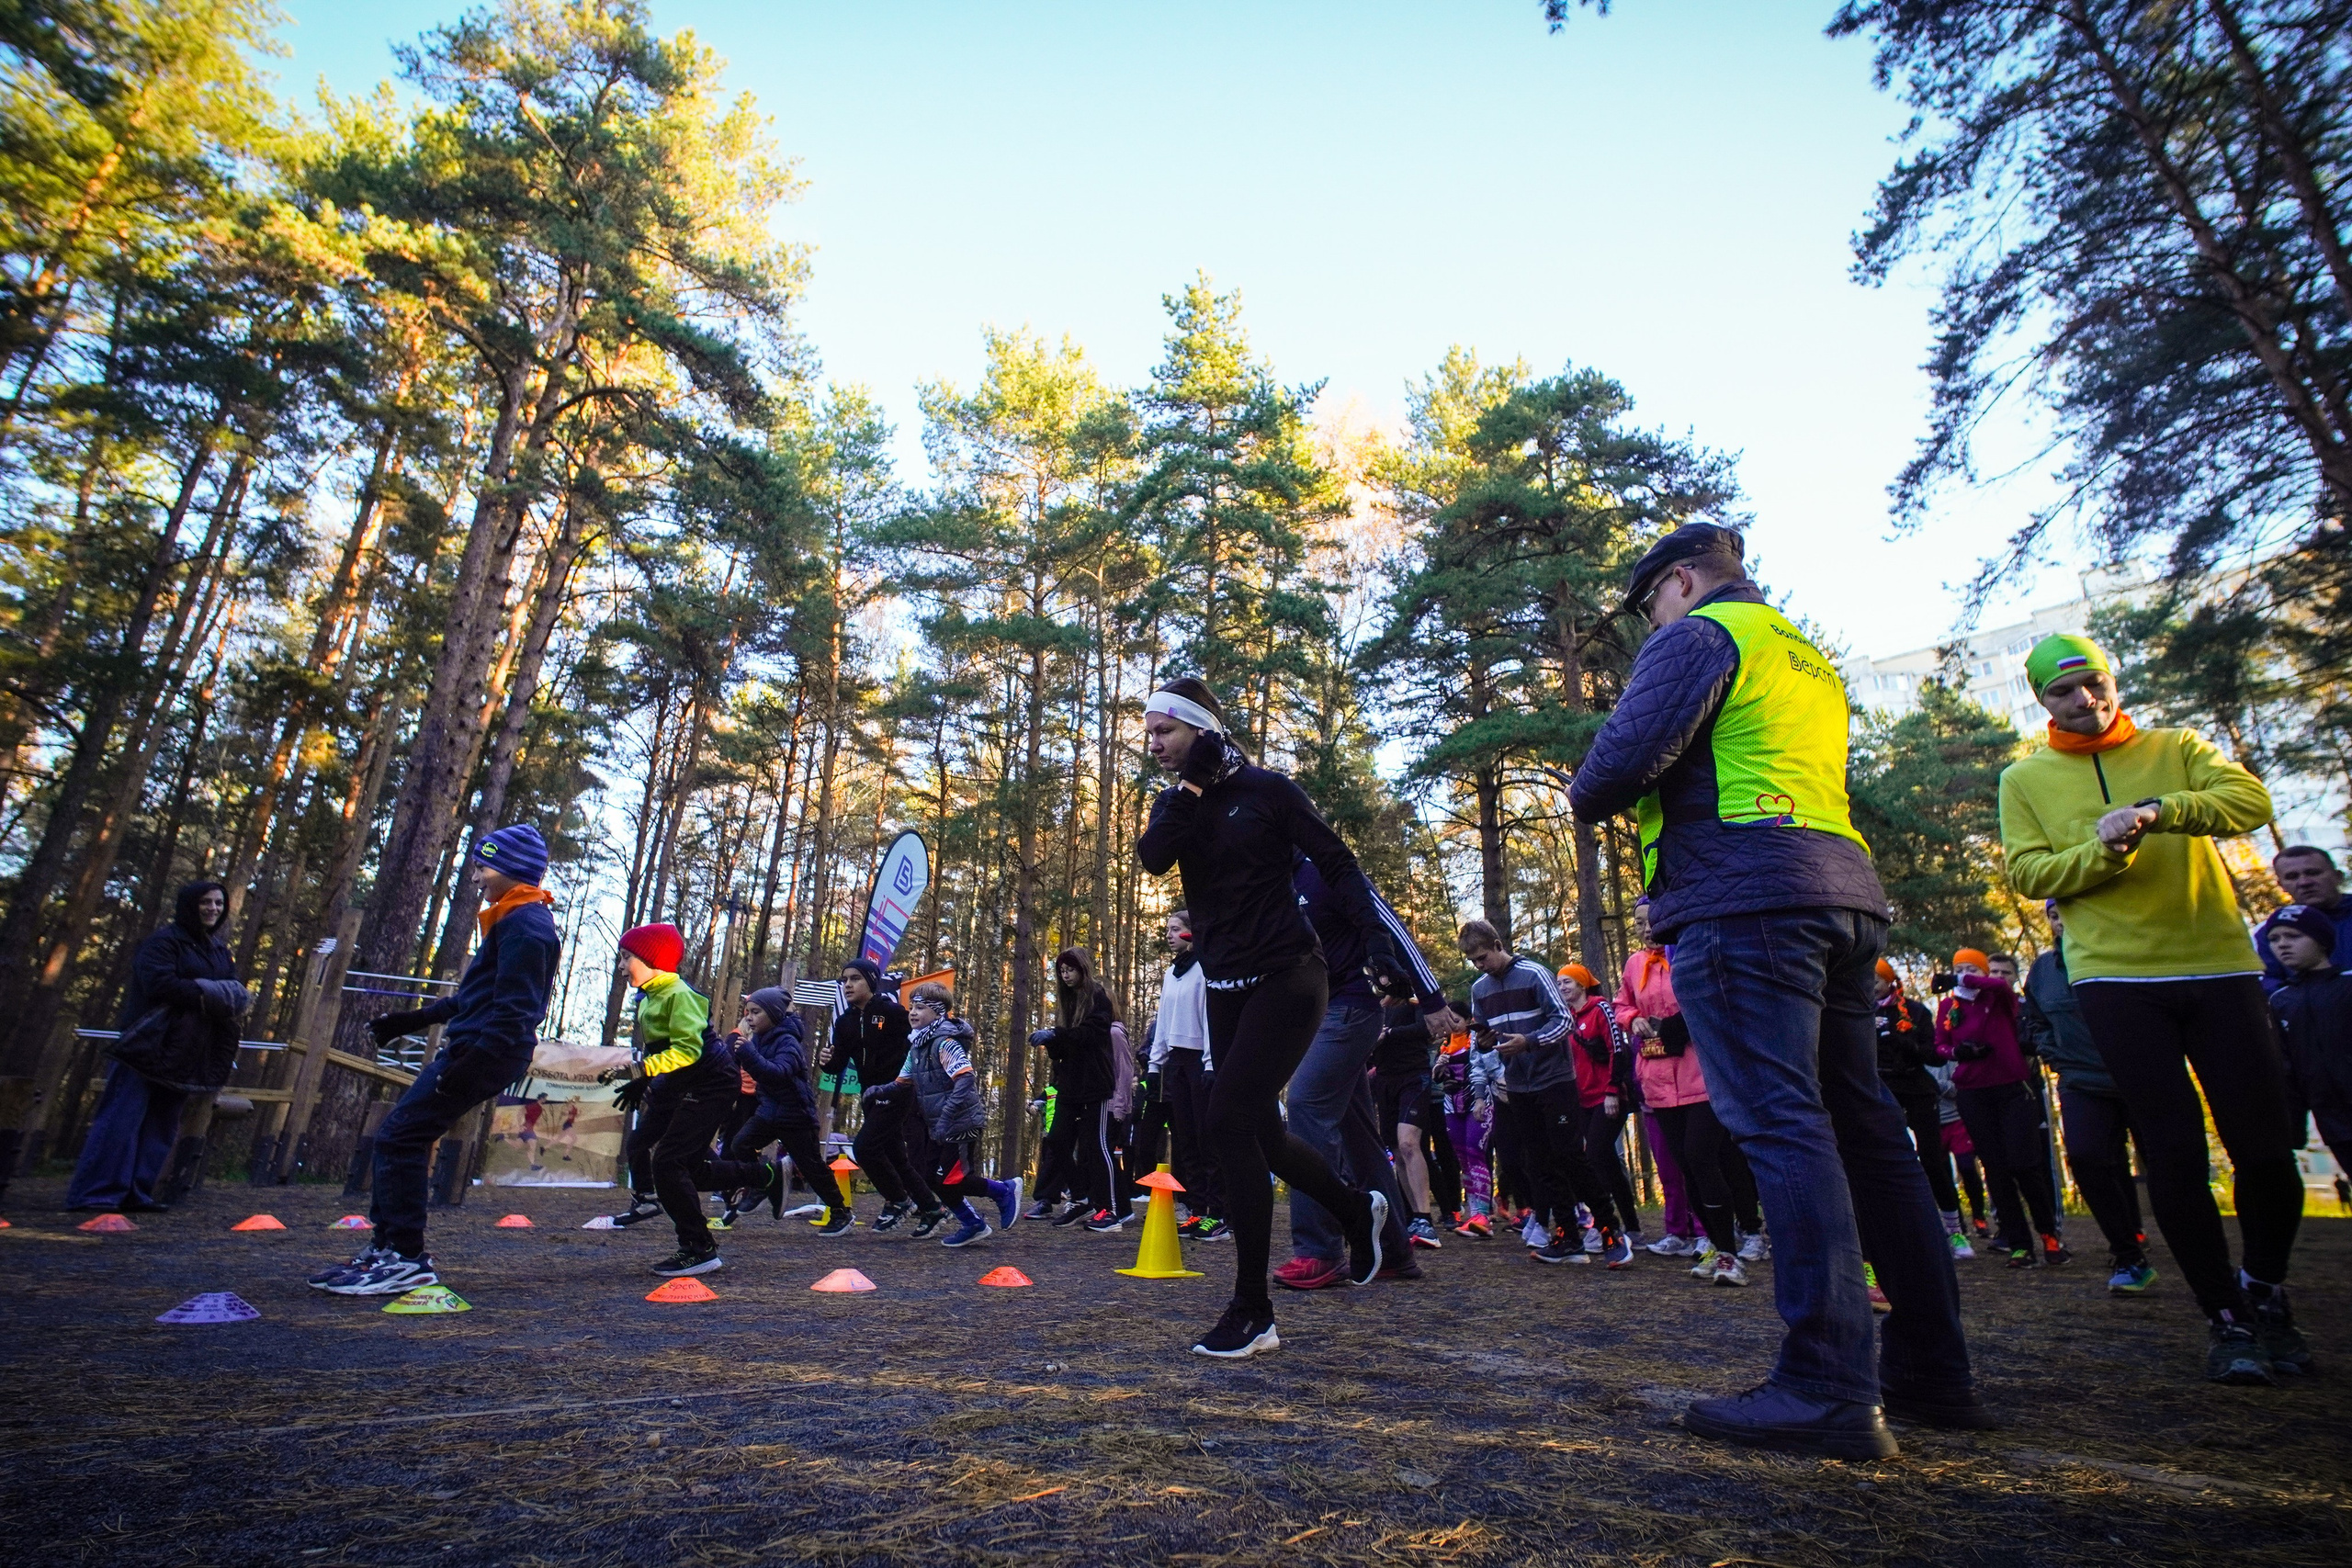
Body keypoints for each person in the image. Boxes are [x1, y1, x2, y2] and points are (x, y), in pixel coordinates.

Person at [1570, 522, 1977, 1458]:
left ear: (1678, 581)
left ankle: (1827, 1383)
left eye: (1646, 608)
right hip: (1840, 900)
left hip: (1744, 903)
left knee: (1784, 1125)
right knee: (1866, 1130)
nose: (1647, 629)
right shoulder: (1802, 654)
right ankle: (1930, 1370)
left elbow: (1604, 779)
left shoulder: (1703, 635)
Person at [1999, 631, 2302, 1384]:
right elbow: (2031, 871)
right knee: (2172, 1151)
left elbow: (2248, 801)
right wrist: (2106, 850)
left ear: (2112, 680)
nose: (2084, 701)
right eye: (2063, 692)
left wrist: (2158, 810)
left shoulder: (2178, 747)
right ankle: (2224, 1315)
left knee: (2263, 1145)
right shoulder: (2025, 778)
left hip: (2218, 963)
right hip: (2115, 979)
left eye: (2093, 683)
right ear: (2043, 702)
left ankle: (2264, 1287)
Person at [1136, 676, 1394, 1359]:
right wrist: (1191, 787)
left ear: (1201, 729)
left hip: (1292, 976)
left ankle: (1253, 1309)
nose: (1153, 743)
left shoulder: (1269, 791)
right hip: (1227, 985)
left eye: (1165, 731)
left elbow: (1338, 861)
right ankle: (1352, 1206)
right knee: (1264, 1135)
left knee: (1226, 1120)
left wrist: (1374, 942)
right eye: (1149, 733)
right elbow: (1154, 857)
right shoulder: (1178, 803)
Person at [313, 826, 560, 1296]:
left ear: (512, 870)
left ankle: (405, 1257)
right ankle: (388, 1249)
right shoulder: (510, 919)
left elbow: (514, 1012)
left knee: (401, 1135)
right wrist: (411, 1020)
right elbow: (475, 997)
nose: (477, 877)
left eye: (484, 867)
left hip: (487, 1053)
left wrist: (468, 1065)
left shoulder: (527, 926)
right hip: (476, 1048)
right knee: (399, 1136)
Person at [1273, 853, 1452, 1288]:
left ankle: (1320, 1250)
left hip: (1352, 1005)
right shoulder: (1271, 881)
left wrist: (1430, 999)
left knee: (1305, 1103)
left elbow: (1390, 925)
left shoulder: (1323, 871)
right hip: (1315, 1010)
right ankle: (1393, 1250)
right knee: (1358, 1133)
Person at [605, 923, 782, 1277]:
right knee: (681, 1165)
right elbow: (665, 1050)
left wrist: (642, 1071)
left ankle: (698, 1248)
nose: (622, 967)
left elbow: (687, 1050)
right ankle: (763, 1174)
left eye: (627, 958)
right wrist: (648, 1080)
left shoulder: (677, 995)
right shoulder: (651, 996)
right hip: (684, 1084)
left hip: (713, 1084)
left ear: (652, 959)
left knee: (669, 1165)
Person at [1458, 922, 1634, 1268]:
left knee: (1570, 1155)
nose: (1479, 966)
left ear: (1497, 944)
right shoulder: (1480, 989)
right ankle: (1567, 1237)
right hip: (1517, 1085)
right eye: (1473, 961)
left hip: (1554, 1080)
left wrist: (1530, 1041)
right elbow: (1483, 1034)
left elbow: (1563, 1021)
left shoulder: (1534, 974)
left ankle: (1612, 1230)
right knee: (1538, 1161)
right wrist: (1485, 1040)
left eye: (1482, 958)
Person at [69, 881, 247, 1213]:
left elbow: (235, 992)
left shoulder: (218, 950)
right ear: (189, 904)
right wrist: (211, 992)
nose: (212, 909)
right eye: (206, 903)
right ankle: (97, 1193)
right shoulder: (163, 943)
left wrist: (216, 993)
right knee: (122, 1119)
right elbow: (159, 984)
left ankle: (138, 1192)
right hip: (147, 1042)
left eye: (219, 904)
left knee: (162, 1123)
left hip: (187, 1049)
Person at [2020, 904, 2154, 1293]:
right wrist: (2056, 1055)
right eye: (2054, 915)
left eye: (2070, 912)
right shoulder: (2044, 971)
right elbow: (2037, 1021)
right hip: (2080, 1080)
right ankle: (2128, 1255)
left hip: (2144, 1077)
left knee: (2169, 1164)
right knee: (2086, 1156)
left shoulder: (2126, 951)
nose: (2062, 921)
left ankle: (2196, 1252)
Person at [1934, 948, 2067, 1269]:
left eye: (1971, 968)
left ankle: (2049, 1235)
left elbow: (2000, 987)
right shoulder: (1948, 1007)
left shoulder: (1999, 1000)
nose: (1965, 974)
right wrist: (1958, 1051)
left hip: (2011, 1088)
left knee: (2024, 1163)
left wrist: (1958, 978)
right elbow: (1939, 1045)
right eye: (1958, 968)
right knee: (1996, 1168)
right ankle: (2020, 1244)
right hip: (1972, 1093)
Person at [900, 981, 1024, 1246]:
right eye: (912, 1007)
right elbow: (903, 1080)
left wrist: (946, 1117)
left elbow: (965, 1077)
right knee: (932, 1178)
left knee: (953, 1179)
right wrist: (879, 1091)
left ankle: (1003, 1191)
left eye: (920, 1007)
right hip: (939, 1126)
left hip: (961, 1123)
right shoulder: (917, 1046)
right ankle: (973, 1224)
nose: (913, 1012)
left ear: (938, 1012)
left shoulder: (945, 1043)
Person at [725, 987, 853, 1235]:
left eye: (756, 1012)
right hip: (769, 1110)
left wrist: (749, 1056)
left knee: (812, 1166)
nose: (749, 1018)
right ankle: (764, 1181)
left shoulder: (787, 1041)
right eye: (747, 1012)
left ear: (773, 1014)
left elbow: (778, 1073)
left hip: (796, 1114)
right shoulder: (760, 1038)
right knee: (740, 1144)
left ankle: (840, 1212)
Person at [831, 959, 940, 1235]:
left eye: (855, 979)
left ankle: (898, 1200)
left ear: (870, 981)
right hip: (869, 1095)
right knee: (896, 1158)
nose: (848, 985)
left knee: (864, 1148)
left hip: (897, 1090)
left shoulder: (890, 1012)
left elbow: (921, 1038)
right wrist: (825, 1061)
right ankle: (931, 1208)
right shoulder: (845, 1022)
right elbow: (837, 1063)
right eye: (844, 980)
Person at [1873, 960, 1969, 1258]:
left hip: (1917, 1088)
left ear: (1890, 981)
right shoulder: (1854, 1012)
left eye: (1876, 978)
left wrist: (1904, 1043)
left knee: (1932, 1159)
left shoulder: (1915, 1011)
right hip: (1879, 1091)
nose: (1870, 983)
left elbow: (1935, 1055)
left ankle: (1954, 1232)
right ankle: (1897, 1232)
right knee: (1884, 1161)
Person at [1029, 947, 1124, 1231]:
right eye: (1061, 971)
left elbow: (1092, 1034)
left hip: (1096, 1083)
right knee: (1056, 1140)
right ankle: (1080, 1197)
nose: (1065, 975)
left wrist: (1056, 1035)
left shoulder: (1098, 997)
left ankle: (1109, 1210)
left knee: (1097, 1146)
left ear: (1082, 969)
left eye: (1070, 969)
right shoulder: (1066, 1001)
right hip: (1069, 1084)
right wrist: (1051, 1042)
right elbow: (1065, 1048)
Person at [1148, 910, 1226, 1239]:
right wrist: (1155, 1064)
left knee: (1207, 1137)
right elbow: (1164, 1018)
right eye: (1167, 929)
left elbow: (1209, 1017)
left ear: (1192, 933)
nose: (1169, 934)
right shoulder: (1171, 973)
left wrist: (1209, 1062)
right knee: (1184, 1138)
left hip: (1200, 1061)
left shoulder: (1204, 969)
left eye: (1176, 929)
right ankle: (1196, 1210)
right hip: (1176, 1062)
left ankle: (1218, 1213)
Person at [1561, 964, 1644, 1255]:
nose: (1562, 988)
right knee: (1605, 1161)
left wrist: (1612, 1089)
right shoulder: (1566, 1018)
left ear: (1583, 984)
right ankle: (1631, 1225)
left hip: (1608, 1098)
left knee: (1594, 1155)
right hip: (1581, 1101)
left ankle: (1603, 1225)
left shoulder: (1601, 1009)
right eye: (1559, 983)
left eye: (1567, 982)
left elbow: (1617, 1050)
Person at [2267, 905, 2352, 1186]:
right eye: (2275, 939)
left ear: (2321, 939)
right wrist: (2293, 1128)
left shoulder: (2347, 985)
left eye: (2293, 936)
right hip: (2332, 1118)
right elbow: (2287, 1068)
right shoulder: (2280, 1001)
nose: (2283, 945)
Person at [1371, 970, 1442, 1247]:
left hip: (1414, 1077)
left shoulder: (1416, 1002)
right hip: (1385, 1080)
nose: (1382, 979)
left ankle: (1425, 1217)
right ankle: (1416, 1217)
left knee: (1409, 1143)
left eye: (1386, 975)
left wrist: (1388, 1034)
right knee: (1397, 1150)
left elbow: (1426, 1029)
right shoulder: (1376, 1009)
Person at [2264, 847, 2352, 990]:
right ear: (2281, 886)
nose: (2304, 882)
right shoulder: (2271, 933)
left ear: (2338, 876)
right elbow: (2271, 986)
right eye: (2292, 877)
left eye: (2313, 873)